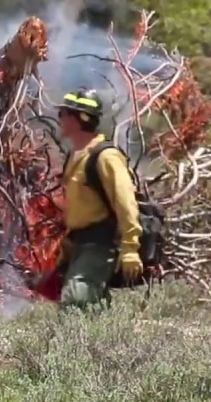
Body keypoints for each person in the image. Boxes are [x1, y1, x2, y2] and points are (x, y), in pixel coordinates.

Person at [56, 88, 143, 309]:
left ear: (79, 118)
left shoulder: (106, 157)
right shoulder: (75, 156)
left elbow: (125, 203)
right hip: (80, 245)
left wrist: (130, 248)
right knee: (91, 306)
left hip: (100, 244)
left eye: (63, 114)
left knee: (76, 300)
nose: (60, 119)